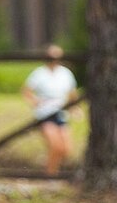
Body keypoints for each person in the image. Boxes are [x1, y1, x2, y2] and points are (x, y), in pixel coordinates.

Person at [21, 44, 79, 177]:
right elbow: (26, 91)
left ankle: (50, 167)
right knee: (55, 146)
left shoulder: (65, 73)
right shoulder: (39, 73)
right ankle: (50, 176)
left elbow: (72, 94)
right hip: (45, 114)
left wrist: (75, 108)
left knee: (66, 149)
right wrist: (35, 102)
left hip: (61, 113)